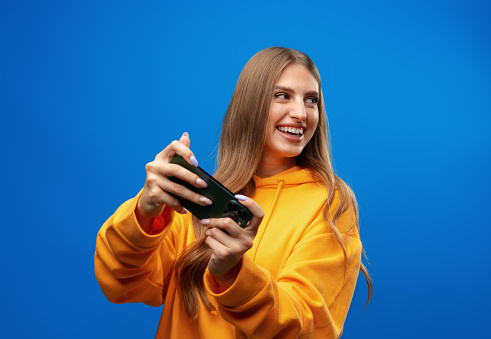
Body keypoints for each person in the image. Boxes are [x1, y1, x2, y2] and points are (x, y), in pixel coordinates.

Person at [95, 47, 372, 338]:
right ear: (250, 104)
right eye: (282, 95)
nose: (301, 113)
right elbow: (120, 282)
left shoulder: (330, 204)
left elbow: (305, 328)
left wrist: (233, 273)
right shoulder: (202, 199)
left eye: (311, 100)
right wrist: (145, 210)